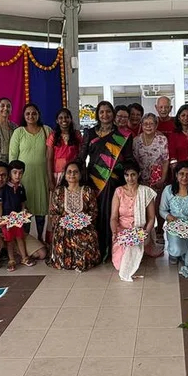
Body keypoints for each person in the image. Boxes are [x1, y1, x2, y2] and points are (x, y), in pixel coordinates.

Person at [79, 101, 133, 261]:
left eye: (108, 111)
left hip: (114, 181)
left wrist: (130, 174)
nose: (105, 115)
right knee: (95, 214)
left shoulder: (123, 135)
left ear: (113, 114)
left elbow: (129, 158)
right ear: (97, 114)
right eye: (101, 112)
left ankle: (112, 250)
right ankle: (95, 250)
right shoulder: (89, 133)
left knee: (112, 214)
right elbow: (82, 157)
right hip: (93, 180)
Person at [49, 161, 102, 271]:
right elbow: (53, 213)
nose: (72, 174)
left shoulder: (87, 191)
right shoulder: (59, 191)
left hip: (84, 227)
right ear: (65, 175)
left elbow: (94, 211)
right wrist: (65, 221)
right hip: (64, 227)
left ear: (80, 174)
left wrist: (81, 220)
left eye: (75, 172)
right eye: (69, 172)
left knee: (86, 238)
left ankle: (82, 261)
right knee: (62, 237)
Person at [110, 160, 157, 281]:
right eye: (127, 175)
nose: (130, 178)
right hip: (122, 232)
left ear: (139, 174)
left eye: (133, 175)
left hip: (140, 231)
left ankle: (141, 251)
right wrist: (114, 232)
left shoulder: (146, 191)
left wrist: (146, 233)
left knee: (132, 251)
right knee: (119, 265)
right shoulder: (119, 191)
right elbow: (114, 217)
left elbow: (151, 218)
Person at [9, 103, 51, 237]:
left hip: (42, 176)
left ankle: (40, 238)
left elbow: (53, 155)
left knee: (41, 208)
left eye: (34, 113)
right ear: (23, 116)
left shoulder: (47, 130)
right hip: (23, 178)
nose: (31, 116)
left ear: (38, 115)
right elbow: (13, 157)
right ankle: (26, 239)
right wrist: (13, 179)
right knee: (24, 209)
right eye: (28, 113)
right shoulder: (19, 132)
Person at [0, 160, 37, 271]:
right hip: (7, 219)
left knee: (20, 237)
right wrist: (0, 217)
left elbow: (23, 202)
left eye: (20, 173)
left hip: (18, 218)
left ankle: (24, 257)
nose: (17, 175)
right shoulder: (4, 188)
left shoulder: (21, 188)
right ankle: (11, 260)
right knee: (9, 240)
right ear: (9, 173)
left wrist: (23, 211)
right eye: (15, 172)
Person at [133, 113, 170, 190]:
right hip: (141, 180)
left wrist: (162, 180)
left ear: (156, 125)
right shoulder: (136, 140)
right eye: (145, 124)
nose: (148, 126)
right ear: (141, 125)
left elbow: (165, 161)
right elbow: (134, 162)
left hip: (157, 179)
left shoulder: (162, 139)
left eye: (151, 124)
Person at [46, 107, 80, 188]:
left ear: (71, 119)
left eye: (66, 117)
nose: (64, 120)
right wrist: (50, 180)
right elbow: (49, 159)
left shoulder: (77, 135)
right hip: (58, 174)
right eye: (61, 118)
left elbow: (81, 155)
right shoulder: (53, 136)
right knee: (59, 195)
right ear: (57, 121)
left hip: (73, 173)